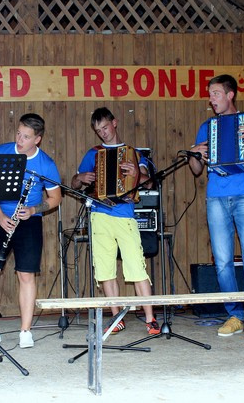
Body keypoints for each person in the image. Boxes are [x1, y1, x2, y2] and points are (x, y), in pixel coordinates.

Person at [188, 74, 244, 343]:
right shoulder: (207, 127)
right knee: (223, 260)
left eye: (215, 93)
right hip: (216, 196)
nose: (211, 99)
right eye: (210, 94)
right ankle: (235, 315)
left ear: (230, 95)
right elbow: (196, 169)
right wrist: (194, 154)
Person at [70, 107, 159, 335]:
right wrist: (81, 177)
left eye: (105, 127)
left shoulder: (133, 153)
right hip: (99, 215)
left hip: (124, 215)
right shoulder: (93, 154)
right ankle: (117, 317)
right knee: (105, 269)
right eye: (98, 130)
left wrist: (136, 174)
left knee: (137, 267)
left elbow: (149, 183)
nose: (103, 133)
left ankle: (150, 318)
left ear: (115, 123)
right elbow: (74, 184)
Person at [0, 114, 62, 349]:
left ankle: (25, 331)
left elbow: (55, 198)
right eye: (18, 133)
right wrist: (0, 215)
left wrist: (33, 209)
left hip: (28, 221)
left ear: (37, 139)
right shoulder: (2, 152)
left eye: (26, 137)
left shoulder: (46, 164)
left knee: (26, 275)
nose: (19, 139)